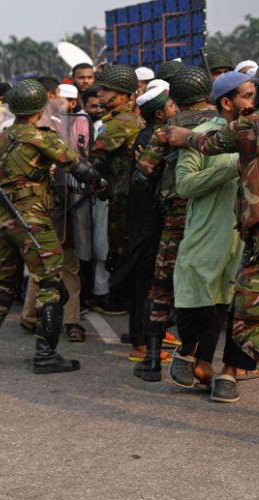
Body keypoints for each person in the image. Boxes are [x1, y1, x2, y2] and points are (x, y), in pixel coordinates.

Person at [0, 80, 104, 375]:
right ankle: (45, 354)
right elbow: (77, 165)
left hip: (4, 220)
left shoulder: (1, 138)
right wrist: (100, 183)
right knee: (50, 285)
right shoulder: (42, 137)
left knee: (3, 284)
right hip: (32, 219)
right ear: (39, 108)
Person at [167, 78, 259, 402]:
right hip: (210, 234)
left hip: (248, 237)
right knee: (204, 304)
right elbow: (185, 186)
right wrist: (233, 167)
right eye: (247, 95)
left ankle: (229, 373)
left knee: (244, 308)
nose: (253, 99)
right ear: (226, 102)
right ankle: (195, 357)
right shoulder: (209, 134)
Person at [134, 66, 219, 381]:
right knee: (214, 287)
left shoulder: (168, 128)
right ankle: (202, 358)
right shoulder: (223, 125)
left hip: (175, 219)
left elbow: (143, 172)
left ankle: (153, 360)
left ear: (176, 98)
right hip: (214, 219)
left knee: (162, 285)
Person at [116, 84, 176, 365]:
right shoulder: (155, 137)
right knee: (147, 283)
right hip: (149, 220)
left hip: (144, 218)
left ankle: (151, 334)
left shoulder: (149, 133)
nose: (176, 110)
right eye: (171, 107)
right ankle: (140, 344)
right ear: (161, 115)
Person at [89, 64, 143, 314]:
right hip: (121, 193)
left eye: (108, 90)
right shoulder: (119, 120)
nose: (101, 94)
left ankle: (121, 299)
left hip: (123, 195)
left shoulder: (120, 123)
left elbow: (95, 158)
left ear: (125, 95)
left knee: (121, 246)